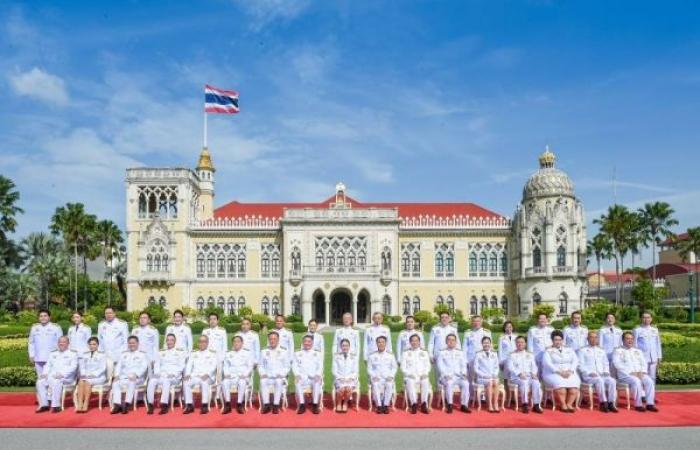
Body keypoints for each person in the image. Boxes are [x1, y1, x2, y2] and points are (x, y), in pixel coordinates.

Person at [613, 331, 658, 412]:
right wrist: (630, 372)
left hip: (639, 373)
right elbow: (617, 364)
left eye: (631, 339)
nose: (630, 340)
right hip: (625, 375)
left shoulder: (637, 351)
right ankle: (638, 404)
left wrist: (643, 372)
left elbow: (643, 363)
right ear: (623, 340)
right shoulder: (618, 351)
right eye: (627, 338)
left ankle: (650, 404)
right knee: (636, 381)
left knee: (649, 381)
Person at [146, 333, 187, 415]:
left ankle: (164, 405)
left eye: (171, 340)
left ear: (175, 341)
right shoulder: (161, 352)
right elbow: (157, 364)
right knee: (152, 380)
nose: (169, 342)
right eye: (168, 340)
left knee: (166, 381)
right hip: (162, 375)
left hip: (174, 377)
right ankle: (150, 404)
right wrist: (157, 373)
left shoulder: (180, 352)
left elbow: (182, 365)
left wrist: (173, 373)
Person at [35, 336, 78, 413]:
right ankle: (44, 405)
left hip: (66, 377)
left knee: (56, 381)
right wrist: (44, 373)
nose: (61, 343)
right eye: (60, 342)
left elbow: (73, 367)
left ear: (68, 343)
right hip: (52, 376)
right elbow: (48, 365)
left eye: (64, 342)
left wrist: (63, 374)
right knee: (40, 382)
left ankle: (56, 406)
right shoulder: (53, 353)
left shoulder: (72, 354)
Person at [578, 330, 618, 413]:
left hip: (602, 374)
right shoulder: (582, 350)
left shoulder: (601, 350)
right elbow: (580, 364)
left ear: (598, 339)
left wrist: (606, 371)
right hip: (588, 376)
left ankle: (611, 403)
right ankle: (603, 403)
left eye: (595, 337)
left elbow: (605, 363)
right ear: (587, 339)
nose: (593, 339)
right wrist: (589, 372)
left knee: (612, 381)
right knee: (599, 380)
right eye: (591, 337)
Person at [542, 330, 580, 412]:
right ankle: (563, 404)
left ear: (562, 340)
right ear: (552, 340)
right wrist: (560, 372)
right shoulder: (548, 351)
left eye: (559, 340)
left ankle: (569, 404)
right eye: (556, 340)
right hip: (552, 373)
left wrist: (571, 371)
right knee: (561, 386)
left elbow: (575, 361)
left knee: (574, 387)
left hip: (569, 372)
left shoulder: (569, 349)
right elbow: (547, 364)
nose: (558, 342)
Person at [110, 335, 148, 414]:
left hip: (137, 378)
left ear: (137, 343)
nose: (132, 345)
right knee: (115, 382)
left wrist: (136, 375)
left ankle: (127, 404)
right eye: (130, 343)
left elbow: (144, 367)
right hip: (124, 377)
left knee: (132, 381)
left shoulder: (142, 354)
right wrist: (116, 375)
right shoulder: (124, 354)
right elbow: (118, 366)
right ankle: (117, 404)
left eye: (133, 343)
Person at [507, 336, 543, 414]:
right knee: (524, 382)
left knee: (536, 382)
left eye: (522, 342)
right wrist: (519, 374)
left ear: (525, 343)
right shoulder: (511, 355)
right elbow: (510, 367)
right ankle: (525, 404)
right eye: (518, 342)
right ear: (515, 343)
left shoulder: (530, 354)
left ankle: (536, 405)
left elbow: (534, 366)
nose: (520, 344)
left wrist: (534, 374)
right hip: (516, 377)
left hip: (529, 376)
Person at [183, 335, 219, 414]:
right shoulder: (193, 353)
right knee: (186, 382)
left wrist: (207, 374)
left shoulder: (212, 353)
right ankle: (189, 405)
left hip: (208, 377)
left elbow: (214, 366)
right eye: (200, 342)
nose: (202, 343)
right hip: (195, 376)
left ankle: (204, 405)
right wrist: (188, 374)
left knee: (204, 382)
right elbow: (189, 365)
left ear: (207, 343)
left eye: (204, 342)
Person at [258, 331, 291, 414]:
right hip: (268, 376)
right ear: (268, 340)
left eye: (274, 339)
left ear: (278, 340)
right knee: (263, 381)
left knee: (279, 381)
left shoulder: (284, 351)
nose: (272, 341)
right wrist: (263, 373)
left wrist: (282, 374)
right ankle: (266, 405)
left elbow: (287, 366)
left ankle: (276, 405)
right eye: (270, 339)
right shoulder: (264, 351)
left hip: (279, 376)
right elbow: (260, 365)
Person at [437, 333, 470, 414]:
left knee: (466, 383)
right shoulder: (442, 352)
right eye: (449, 340)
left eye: (453, 340)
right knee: (449, 383)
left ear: (456, 342)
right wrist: (446, 375)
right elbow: (440, 366)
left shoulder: (460, 352)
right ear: (446, 341)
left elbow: (463, 365)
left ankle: (464, 405)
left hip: (459, 376)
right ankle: (450, 405)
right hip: (446, 377)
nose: (451, 342)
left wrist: (464, 374)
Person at [221, 335, 255, 414]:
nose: (236, 343)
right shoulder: (228, 353)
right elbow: (225, 366)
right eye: (234, 342)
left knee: (242, 382)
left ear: (242, 343)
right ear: (232, 343)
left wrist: (245, 374)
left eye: (238, 341)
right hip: (231, 376)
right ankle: (228, 404)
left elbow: (250, 366)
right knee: (224, 382)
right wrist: (226, 374)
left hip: (242, 376)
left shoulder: (247, 353)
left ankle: (239, 404)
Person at [74, 337, 108, 413]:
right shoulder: (85, 354)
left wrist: (92, 375)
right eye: (90, 344)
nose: (92, 346)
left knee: (87, 381)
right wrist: (83, 374)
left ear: (97, 345)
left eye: (94, 344)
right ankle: (80, 404)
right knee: (80, 381)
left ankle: (86, 403)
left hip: (98, 377)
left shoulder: (102, 355)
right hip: (86, 376)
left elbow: (102, 368)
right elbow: (82, 367)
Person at [400, 333, 431, 414]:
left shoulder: (424, 352)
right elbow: (403, 367)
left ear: (419, 342)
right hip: (410, 375)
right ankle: (414, 404)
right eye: (412, 341)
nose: (414, 342)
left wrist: (425, 373)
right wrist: (408, 374)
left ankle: (424, 404)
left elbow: (428, 365)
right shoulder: (406, 353)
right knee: (410, 381)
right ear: (410, 342)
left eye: (416, 341)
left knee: (425, 381)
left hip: (421, 375)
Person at [293, 335, 324, 414]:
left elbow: (320, 366)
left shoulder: (317, 353)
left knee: (317, 382)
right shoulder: (297, 353)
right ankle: (302, 405)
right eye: (305, 341)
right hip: (302, 377)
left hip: (313, 377)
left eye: (309, 341)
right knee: (297, 382)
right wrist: (297, 375)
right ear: (302, 342)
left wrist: (318, 374)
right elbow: (294, 365)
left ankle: (315, 405)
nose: (307, 343)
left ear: (312, 343)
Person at [28, 309, 63, 377]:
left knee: (52, 378)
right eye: (41, 316)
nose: (43, 318)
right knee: (41, 379)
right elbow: (31, 343)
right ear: (38, 318)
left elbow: (61, 342)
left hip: (52, 357)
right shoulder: (34, 328)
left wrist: (60, 355)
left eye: (45, 316)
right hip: (38, 357)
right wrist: (31, 355)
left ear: (49, 317)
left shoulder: (56, 327)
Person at [367, 335, 397, 414]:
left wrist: (391, 376)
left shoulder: (390, 355)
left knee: (389, 384)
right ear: (376, 343)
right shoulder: (372, 355)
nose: (381, 344)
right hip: (377, 377)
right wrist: (373, 376)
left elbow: (394, 367)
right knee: (375, 384)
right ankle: (379, 406)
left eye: (383, 342)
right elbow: (369, 369)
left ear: (386, 343)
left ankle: (386, 405)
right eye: (379, 342)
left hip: (387, 377)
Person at [473, 336, 501, 413]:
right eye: (484, 343)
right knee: (490, 382)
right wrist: (484, 375)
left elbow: (496, 366)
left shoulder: (494, 353)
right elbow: (475, 368)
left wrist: (495, 374)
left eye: (488, 343)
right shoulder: (478, 354)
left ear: (490, 343)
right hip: (482, 378)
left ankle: (495, 403)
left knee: (496, 382)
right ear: (482, 344)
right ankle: (490, 405)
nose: (486, 344)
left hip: (492, 376)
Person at [428, 312, 459, 380]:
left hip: (451, 355)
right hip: (438, 355)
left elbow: (457, 343)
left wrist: (459, 354)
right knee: (438, 377)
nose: (444, 319)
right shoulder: (435, 329)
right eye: (442, 317)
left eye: (446, 317)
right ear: (440, 319)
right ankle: (439, 390)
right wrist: (430, 355)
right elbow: (431, 343)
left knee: (451, 376)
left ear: (449, 319)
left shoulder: (453, 329)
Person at [634, 311, 662, 383]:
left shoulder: (655, 330)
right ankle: (642, 392)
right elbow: (634, 345)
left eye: (648, 317)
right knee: (643, 376)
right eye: (644, 317)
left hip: (653, 357)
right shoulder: (637, 330)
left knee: (652, 376)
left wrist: (659, 356)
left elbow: (657, 344)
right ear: (641, 319)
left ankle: (651, 393)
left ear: (651, 319)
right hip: (642, 357)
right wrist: (636, 357)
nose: (646, 319)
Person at [332, 338, 359, 413]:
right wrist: (340, 378)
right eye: (343, 346)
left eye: (346, 345)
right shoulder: (336, 356)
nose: (345, 347)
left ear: (349, 346)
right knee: (342, 389)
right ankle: (339, 403)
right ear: (341, 347)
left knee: (348, 388)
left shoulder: (354, 357)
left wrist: (350, 378)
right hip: (339, 379)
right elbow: (334, 370)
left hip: (351, 379)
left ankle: (345, 403)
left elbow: (355, 371)